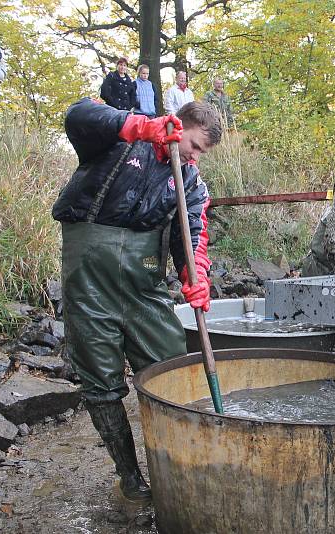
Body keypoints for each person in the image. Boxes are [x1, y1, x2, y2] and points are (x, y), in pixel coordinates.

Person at [52, 98, 222, 504]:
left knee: (169, 364)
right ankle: (129, 476)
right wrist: (138, 126)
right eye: (194, 147)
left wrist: (195, 279)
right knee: (101, 378)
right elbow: (78, 117)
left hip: (145, 281)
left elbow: (192, 235)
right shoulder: (120, 141)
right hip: (90, 274)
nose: (196, 159)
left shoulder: (192, 184)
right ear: (179, 127)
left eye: (202, 153)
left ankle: (177, 465)